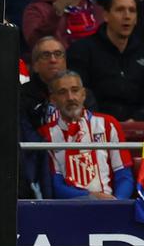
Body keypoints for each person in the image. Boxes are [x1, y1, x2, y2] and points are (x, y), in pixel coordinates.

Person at [66, 0, 144, 122]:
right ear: (106, 15)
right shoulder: (82, 50)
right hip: (96, 127)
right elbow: (80, 96)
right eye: (120, 10)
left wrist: (137, 119)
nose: (127, 16)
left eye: (132, 11)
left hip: (136, 128)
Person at [37, 70, 132, 200]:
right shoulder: (46, 134)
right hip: (68, 209)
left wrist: (117, 203)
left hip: (109, 205)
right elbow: (56, 185)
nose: (70, 98)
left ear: (83, 94)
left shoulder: (108, 124)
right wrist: (90, 197)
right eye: (62, 92)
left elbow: (123, 175)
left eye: (75, 90)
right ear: (53, 100)